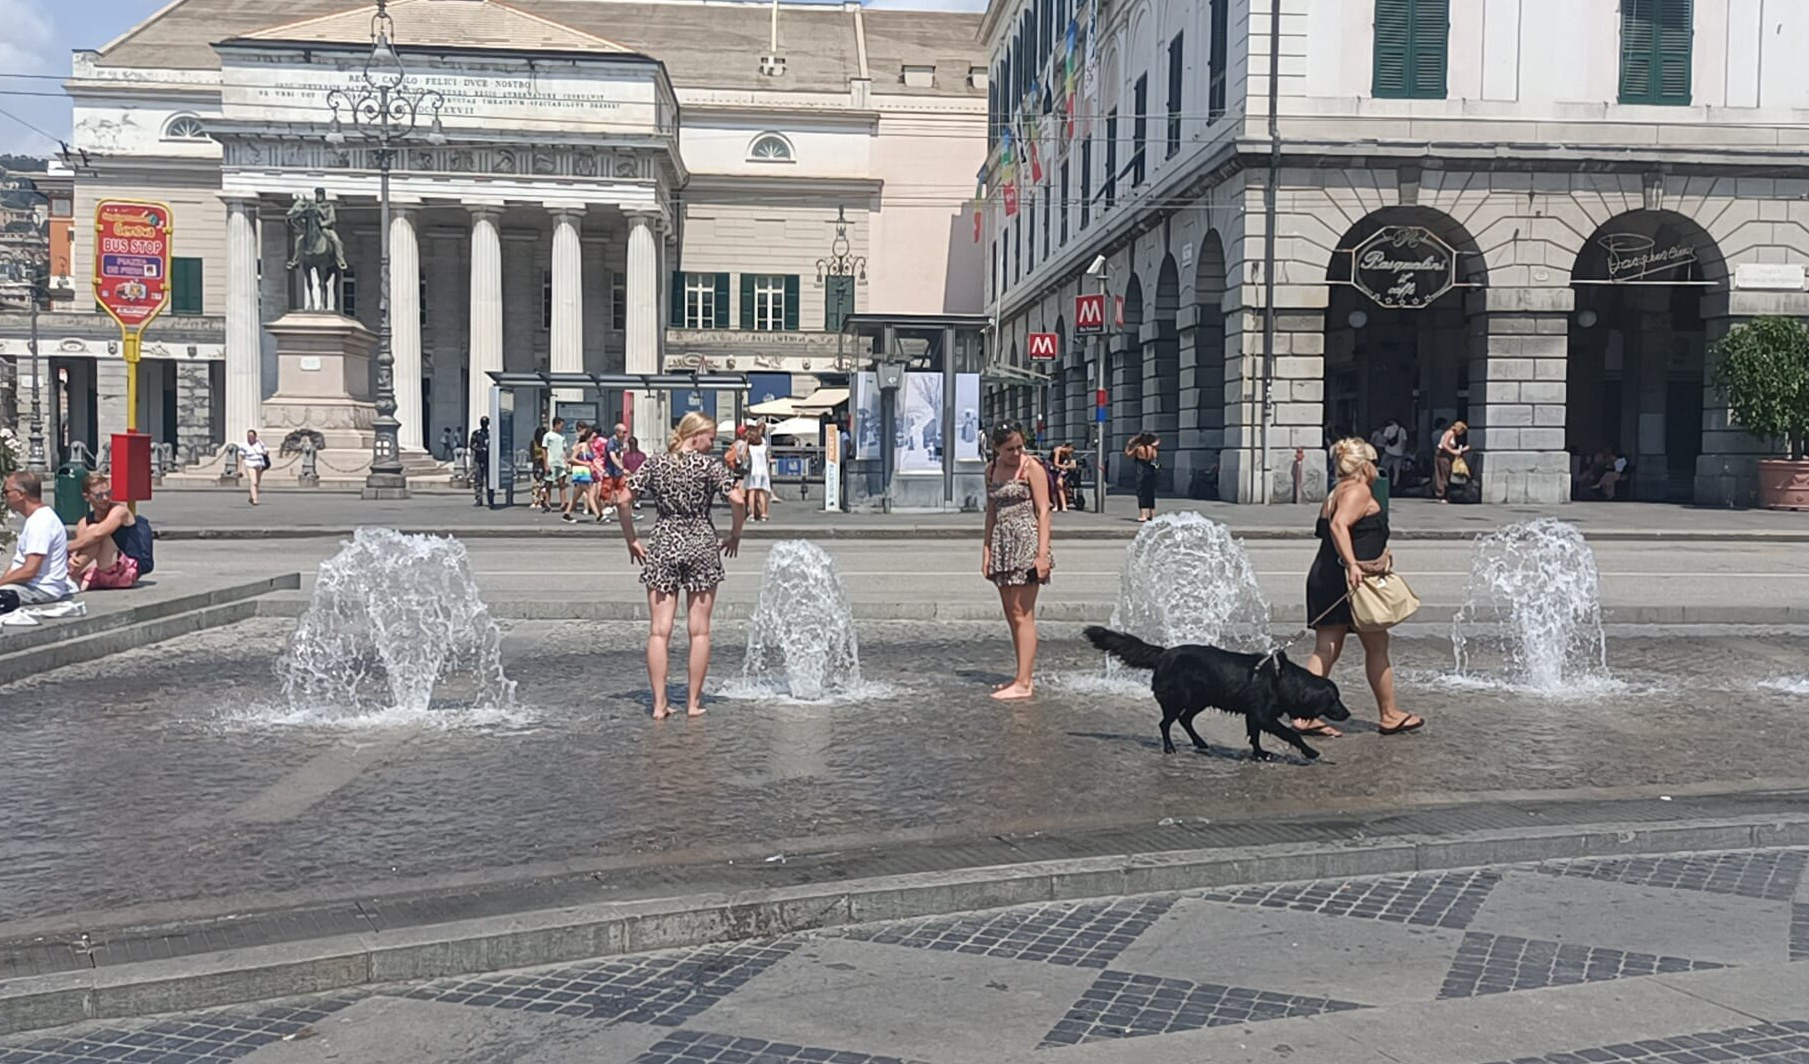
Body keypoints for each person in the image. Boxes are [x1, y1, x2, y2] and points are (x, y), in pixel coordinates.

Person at [615, 411, 748, 720]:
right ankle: (693, 703)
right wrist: (735, 535)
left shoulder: (656, 463)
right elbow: (738, 500)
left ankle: (659, 705)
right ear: (695, 435)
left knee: (659, 631)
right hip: (701, 542)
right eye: (710, 438)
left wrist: (631, 539)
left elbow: (623, 499)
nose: (713, 444)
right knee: (699, 631)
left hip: (663, 542)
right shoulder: (710, 466)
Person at [1292, 438, 1424, 738]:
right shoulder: (1359, 490)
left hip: (1326, 577)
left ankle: (1304, 715)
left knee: (1327, 648)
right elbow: (1340, 526)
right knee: (1376, 645)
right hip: (1352, 583)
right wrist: (1353, 564)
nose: (1376, 468)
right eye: (1374, 462)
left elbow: (1349, 530)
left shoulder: (1336, 491)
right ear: (1364, 465)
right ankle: (1390, 715)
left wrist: (1375, 555)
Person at [982, 423, 1054, 701]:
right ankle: (1020, 676)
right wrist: (987, 550)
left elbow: (1044, 510)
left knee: (1023, 613)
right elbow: (991, 511)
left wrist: (1042, 554)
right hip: (1003, 544)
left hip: (1027, 542)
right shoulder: (990, 470)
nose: (1015, 452)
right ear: (996, 448)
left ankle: (1024, 682)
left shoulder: (1031, 467)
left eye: (1019, 447)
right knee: (1012, 614)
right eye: (1009, 449)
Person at [1, 471, 77, 614]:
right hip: (28, 586)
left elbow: (30, 570)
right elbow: (18, 563)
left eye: (6, 492)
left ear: (20, 494)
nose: (4, 496)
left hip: (40, 589)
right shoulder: (36, 519)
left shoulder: (41, 522)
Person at [68, 474, 149, 591]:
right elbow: (82, 547)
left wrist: (64, 548)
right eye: (99, 495)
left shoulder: (120, 511)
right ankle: (69, 576)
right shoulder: (83, 522)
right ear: (87, 497)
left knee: (93, 531)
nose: (105, 498)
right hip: (100, 570)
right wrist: (73, 557)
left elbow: (98, 534)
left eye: (108, 493)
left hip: (126, 571)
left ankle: (69, 577)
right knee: (88, 534)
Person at [1126, 432, 1161, 522]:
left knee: (1141, 493)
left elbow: (1128, 454)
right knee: (1150, 493)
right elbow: (1155, 459)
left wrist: (1130, 444)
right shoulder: (1152, 449)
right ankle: (1152, 514)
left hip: (1141, 472)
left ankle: (1143, 514)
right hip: (1151, 472)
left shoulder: (1138, 448)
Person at [565, 427, 596, 523]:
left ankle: (567, 514)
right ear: (588, 437)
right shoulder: (581, 446)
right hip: (580, 473)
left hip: (586, 473)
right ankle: (599, 515)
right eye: (593, 437)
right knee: (590, 492)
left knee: (576, 496)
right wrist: (585, 463)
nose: (595, 439)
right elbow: (572, 459)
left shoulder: (590, 448)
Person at [742, 423, 773, 522]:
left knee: (751, 492)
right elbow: (768, 459)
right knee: (761, 492)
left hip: (752, 471)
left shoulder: (750, 448)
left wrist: (746, 444)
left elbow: (743, 458)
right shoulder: (764, 447)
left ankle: (752, 514)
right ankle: (764, 514)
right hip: (763, 471)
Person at [1434, 419, 1469, 503]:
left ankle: (1445, 494)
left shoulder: (1453, 434)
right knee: (1444, 473)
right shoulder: (1449, 433)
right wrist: (1453, 451)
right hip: (1443, 455)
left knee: (1447, 472)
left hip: (1447, 455)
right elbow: (1444, 445)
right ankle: (1442, 494)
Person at [543, 416, 570, 518]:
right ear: (556, 425)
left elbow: (564, 450)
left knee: (562, 483)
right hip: (551, 462)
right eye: (561, 425)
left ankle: (563, 503)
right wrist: (546, 463)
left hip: (560, 462)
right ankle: (547, 503)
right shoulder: (548, 436)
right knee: (548, 484)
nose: (562, 428)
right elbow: (544, 450)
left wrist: (566, 462)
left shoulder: (562, 436)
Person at [1373, 418, 1408, 485]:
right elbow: (1404, 443)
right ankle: (1395, 485)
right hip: (1399, 453)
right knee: (1396, 471)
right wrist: (1402, 452)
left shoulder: (1388, 429)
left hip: (1389, 452)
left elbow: (1384, 440)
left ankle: (1385, 484)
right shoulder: (1403, 430)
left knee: (1384, 469)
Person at [241, 429, 270, 506]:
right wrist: (239, 469)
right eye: (248, 436)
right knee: (254, 481)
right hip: (250, 465)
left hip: (259, 464)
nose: (250, 437)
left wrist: (265, 452)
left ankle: (251, 497)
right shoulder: (244, 445)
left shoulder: (259, 443)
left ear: (255, 436)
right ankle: (255, 499)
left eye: (251, 436)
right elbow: (241, 457)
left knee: (257, 482)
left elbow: (266, 450)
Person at [468, 416, 492, 508]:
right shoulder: (476, 433)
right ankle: (478, 498)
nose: (484, 424)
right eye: (483, 422)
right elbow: (472, 445)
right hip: (479, 458)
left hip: (489, 459)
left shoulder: (490, 434)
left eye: (486, 422)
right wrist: (480, 449)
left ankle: (490, 499)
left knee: (490, 480)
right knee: (478, 479)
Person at [1049, 442, 1076, 512]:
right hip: (1051, 468)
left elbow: (1070, 463)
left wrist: (1070, 465)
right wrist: (1066, 466)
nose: (1070, 452)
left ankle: (1064, 505)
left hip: (1059, 469)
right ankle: (1056, 505)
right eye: (1070, 450)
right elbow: (1055, 463)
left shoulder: (1068, 454)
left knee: (1059, 485)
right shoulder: (1058, 450)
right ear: (1067, 447)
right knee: (1053, 486)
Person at [529, 422, 550, 512]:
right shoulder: (533, 443)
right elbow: (532, 454)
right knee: (536, 484)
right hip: (537, 464)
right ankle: (535, 500)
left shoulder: (546, 443)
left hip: (544, 463)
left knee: (543, 484)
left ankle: (542, 500)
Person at [623, 435, 648, 509]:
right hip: (629, 475)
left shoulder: (642, 455)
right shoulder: (626, 456)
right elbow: (624, 466)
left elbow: (645, 466)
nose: (632, 445)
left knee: (639, 483)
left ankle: (637, 500)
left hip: (639, 475)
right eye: (630, 443)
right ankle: (633, 500)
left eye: (633, 443)